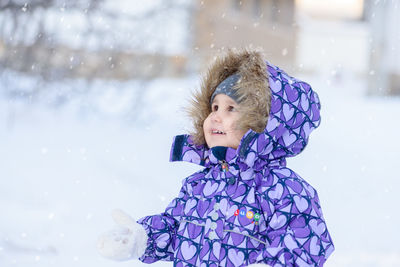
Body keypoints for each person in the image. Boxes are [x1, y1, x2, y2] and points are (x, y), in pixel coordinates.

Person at [97, 48, 335, 266]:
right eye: (214, 108)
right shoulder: (199, 186)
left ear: (263, 124)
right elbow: (174, 229)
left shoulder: (286, 192)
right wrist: (143, 238)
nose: (216, 118)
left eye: (231, 108)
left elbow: (301, 251)